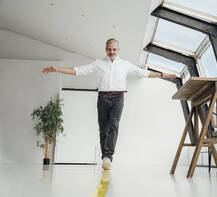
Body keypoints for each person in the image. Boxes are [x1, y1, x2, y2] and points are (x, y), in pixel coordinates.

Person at [42, 38, 177, 170]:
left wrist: (162, 74)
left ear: (118, 49)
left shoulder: (125, 64)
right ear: (105, 49)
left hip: (118, 97)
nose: (111, 52)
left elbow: (143, 73)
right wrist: (57, 69)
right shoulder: (98, 63)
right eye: (109, 49)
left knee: (113, 124)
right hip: (103, 98)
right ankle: (105, 157)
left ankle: (108, 157)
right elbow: (78, 70)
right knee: (103, 128)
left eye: (114, 49)